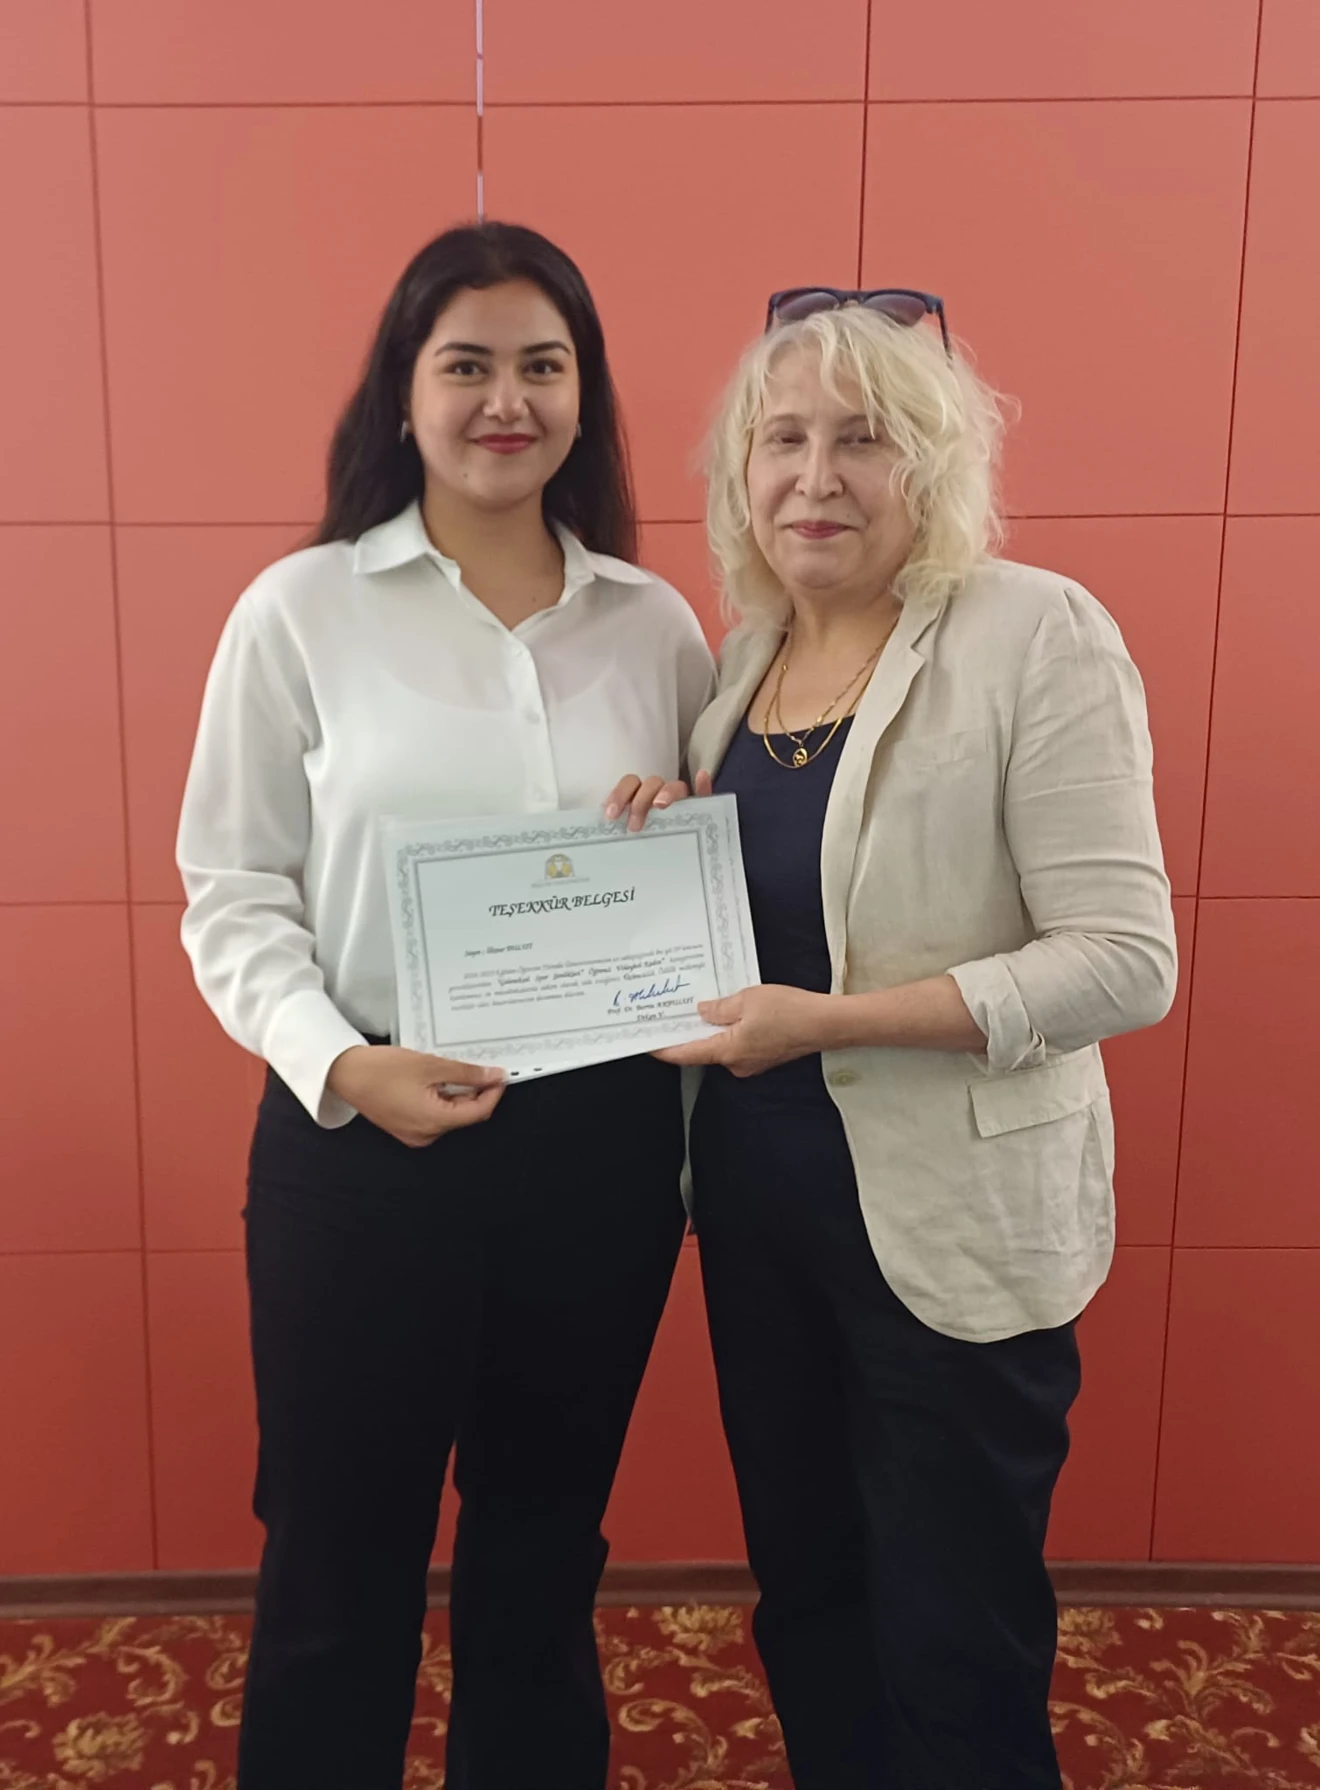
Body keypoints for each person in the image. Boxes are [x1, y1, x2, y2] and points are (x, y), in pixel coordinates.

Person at [176, 221, 713, 1790]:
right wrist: (344, 1064)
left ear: (583, 395)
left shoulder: (656, 624)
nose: (506, 400)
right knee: (337, 1562)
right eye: (466, 364)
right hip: (364, 1146)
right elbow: (232, 893)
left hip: (601, 1155)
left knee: (543, 1554)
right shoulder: (301, 610)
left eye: (543, 365)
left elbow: (703, 873)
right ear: (403, 396)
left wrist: (680, 834)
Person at [659, 290, 1178, 1790]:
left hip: (952, 1226)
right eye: (784, 440)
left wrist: (836, 1022)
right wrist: (658, 838)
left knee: (957, 1630)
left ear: (933, 465)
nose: (815, 477)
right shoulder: (737, 670)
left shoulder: (1035, 632)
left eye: (865, 439)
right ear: (741, 472)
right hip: (756, 1215)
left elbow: (1124, 961)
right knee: (808, 1590)